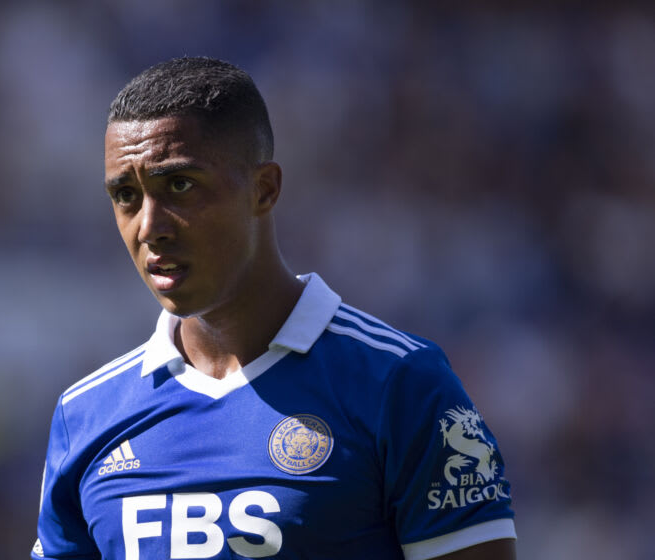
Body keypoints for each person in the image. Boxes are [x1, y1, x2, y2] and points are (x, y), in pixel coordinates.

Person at [32, 56, 516, 560]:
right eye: (126, 195)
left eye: (179, 185)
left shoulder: (400, 383)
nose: (150, 227)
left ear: (264, 189)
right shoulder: (85, 416)